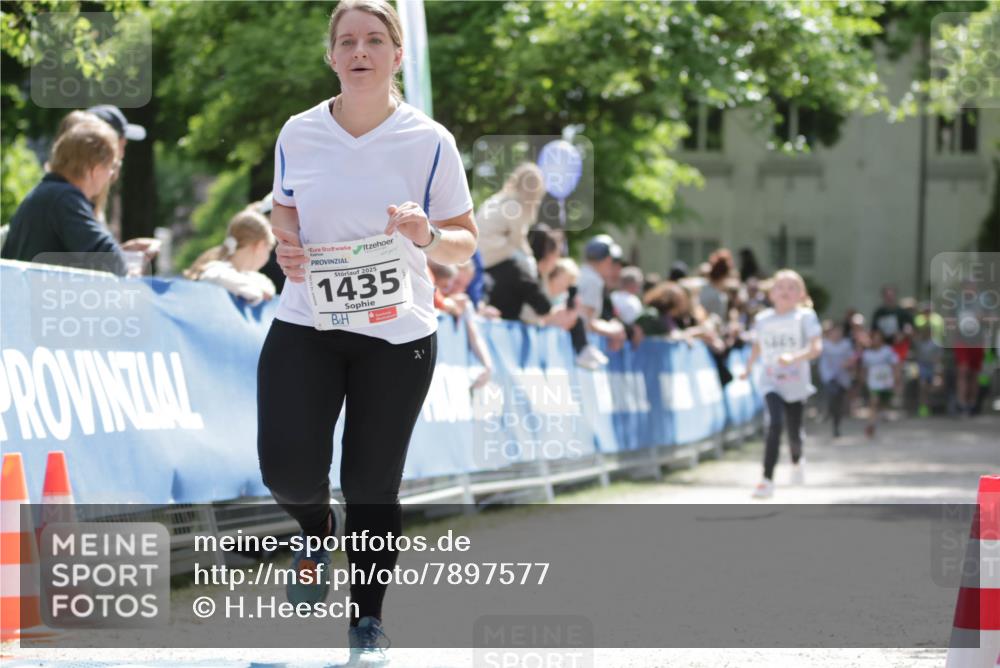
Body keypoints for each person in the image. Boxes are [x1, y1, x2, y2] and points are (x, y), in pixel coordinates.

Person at [257, 0, 477, 660]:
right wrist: (286, 245)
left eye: (374, 40)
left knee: (372, 485)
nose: (360, 50)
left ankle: (367, 621)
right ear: (331, 55)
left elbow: (464, 243)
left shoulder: (430, 140)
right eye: (347, 40)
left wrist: (428, 233)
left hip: (398, 334)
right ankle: (315, 526)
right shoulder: (298, 132)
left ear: (396, 55)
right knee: (286, 471)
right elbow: (283, 212)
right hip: (307, 320)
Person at [1, 119, 157, 274]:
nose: (111, 175)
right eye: (111, 167)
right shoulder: (66, 199)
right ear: (94, 169)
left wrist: (122, 252)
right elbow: (111, 260)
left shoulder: (46, 193)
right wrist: (129, 264)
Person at [742, 269, 823, 499]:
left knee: (794, 433)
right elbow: (758, 346)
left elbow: (817, 348)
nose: (785, 291)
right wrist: (748, 368)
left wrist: (794, 357)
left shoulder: (805, 317)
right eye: (780, 287)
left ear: (801, 294)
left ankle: (797, 461)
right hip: (770, 381)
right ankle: (766, 480)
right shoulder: (762, 319)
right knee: (774, 424)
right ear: (771, 293)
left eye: (792, 287)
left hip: (796, 384)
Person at [183, 207, 276, 306]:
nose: (267, 256)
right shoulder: (217, 272)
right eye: (269, 249)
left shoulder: (246, 276)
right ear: (260, 246)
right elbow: (216, 278)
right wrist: (259, 292)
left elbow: (268, 287)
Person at [476, 162, 545, 271]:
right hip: (489, 251)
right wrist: (531, 255)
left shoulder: (504, 197)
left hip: (479, 251)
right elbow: (517, 239)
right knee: (529, 265)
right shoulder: (515, 205)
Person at [818, 320, 855, 437]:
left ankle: (836, 425)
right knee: (832, 394)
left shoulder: (846, 344)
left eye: (840, 331)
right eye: (835, 331)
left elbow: (852, 358)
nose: (837, 334)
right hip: (828, 376)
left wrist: (848, 364)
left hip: (842, 377)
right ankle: (828, 411)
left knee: (839, 403)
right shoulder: (823, 344)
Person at [861, 329, 899, 438]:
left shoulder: (888, 350)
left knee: (883, 402)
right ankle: (871, 424)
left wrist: (896, 377)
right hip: (874, 382)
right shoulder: (867, 354)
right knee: (874, 401)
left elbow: (895, 364)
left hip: (886, 381)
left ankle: (881, 414)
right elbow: (864, 368)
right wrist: (863, 379)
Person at [913, 323, 942, 418]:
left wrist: (936, 367)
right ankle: (923, 407)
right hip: (923, 366)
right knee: (923, 386)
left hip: (932, 367)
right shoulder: (920, 343)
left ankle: (930, 406)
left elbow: (938, 357)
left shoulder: (936, 343)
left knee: (931, 387)